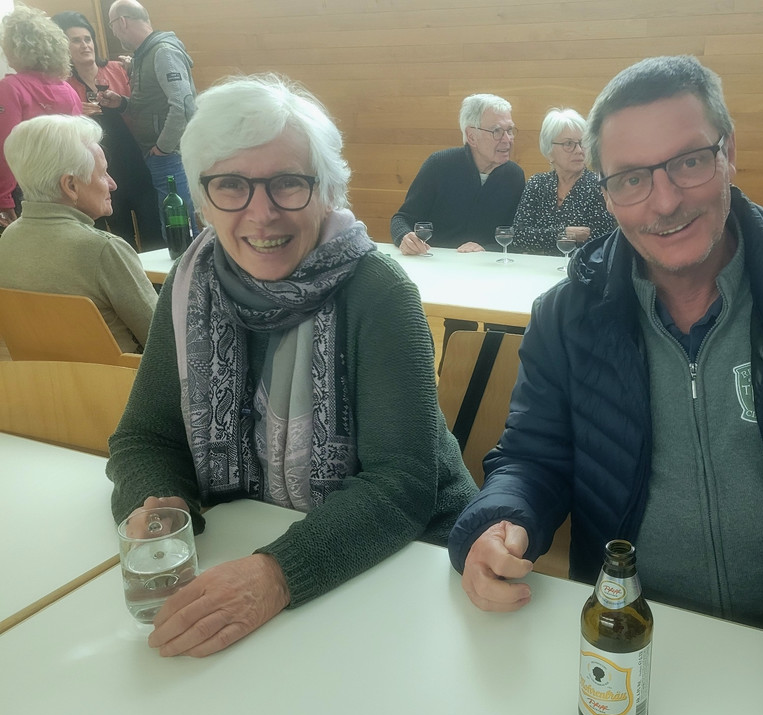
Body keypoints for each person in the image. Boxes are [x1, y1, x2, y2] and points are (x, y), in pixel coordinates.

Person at [448, 56, 763, 703]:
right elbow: (532, 458)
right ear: (606, 193)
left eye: (690, 161)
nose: (665, 201)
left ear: (729, 154)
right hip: (635, 648)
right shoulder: (568, 313)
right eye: (632, 179)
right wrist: (500, 518)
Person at [106, 74, 478, 658]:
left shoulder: (379, 292)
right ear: (203, 199)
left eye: (287, 183)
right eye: (231, 185)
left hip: (412, 557)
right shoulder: (189, 285)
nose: (262, 214)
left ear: (326, 192)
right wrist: (161, 499)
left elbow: (401, 485)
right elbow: (144, 438)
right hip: (247, 547)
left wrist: (275, 575)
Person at [0, 114, 156, 352]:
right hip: (119, 376)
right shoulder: (103, 249)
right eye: (103, 173)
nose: (112, 184)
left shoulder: (8, 241)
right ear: (70, 185)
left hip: (34, 376)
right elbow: (167, 341)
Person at [52, 11, 163, 251]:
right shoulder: (62, 85)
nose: (85, 45)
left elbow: (141, 106)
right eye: (76, 40)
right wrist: (75, 113)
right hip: (99, 171)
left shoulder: (118, 69)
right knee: (120, 235)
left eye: (87, 39)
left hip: (135, 159)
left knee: (154, 229)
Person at [99, 0, 197, 237]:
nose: (113, 32)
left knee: (179, 227)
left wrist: (163, 148)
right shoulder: (144, 54)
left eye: (112, 25)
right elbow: (152, 104)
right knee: (172, 226)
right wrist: (122, 102)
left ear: (122, 22)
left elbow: (184, 105)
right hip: (160, 155)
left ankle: (189, 262)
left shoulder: (163, 52)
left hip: (169, 156)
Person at [390, 93, 525, 254]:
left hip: (485, 265)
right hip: (435, 260)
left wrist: (486, 249)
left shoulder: (514, 176)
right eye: (497, 131)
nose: (507, 139)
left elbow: (517, 236)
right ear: (472, 137)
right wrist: (404, 237)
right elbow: (402, 218)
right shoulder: (439, 165)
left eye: (509, 130)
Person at [0, 5, 81, 228]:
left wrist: (3, 197)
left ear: (15, 48)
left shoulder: (10, 88)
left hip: (27, 188)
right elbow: (82, 147)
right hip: (66, 186)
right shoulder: (68, 90)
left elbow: (5, 147)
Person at [511, 107, 615, 255]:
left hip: (581, 266)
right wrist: (565, 233)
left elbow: (602, 241)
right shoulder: (537, 184)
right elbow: (518, 235)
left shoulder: (598, 186)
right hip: (536, 266)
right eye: (568, 144)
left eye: (582, 143)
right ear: (549, 151)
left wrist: (542, 237)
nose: (579, 150)